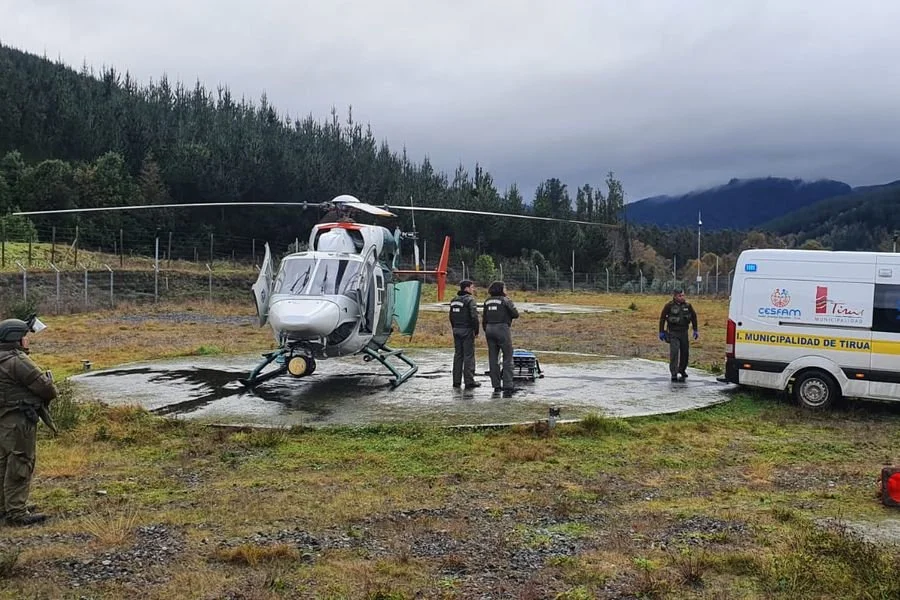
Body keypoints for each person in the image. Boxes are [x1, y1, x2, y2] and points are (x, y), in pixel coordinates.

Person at [0, 317, 58, 526]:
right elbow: (46, 388)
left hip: (4, 418)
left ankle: (6, 507)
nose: (27, 340)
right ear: (15, 338)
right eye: (25, 336)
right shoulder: (17, 360)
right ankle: (16, 513)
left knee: (4, 463)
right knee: (20, 462)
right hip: (19, 420)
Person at [482, 281, 519, 396]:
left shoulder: (487, 301)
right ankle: (508, 385)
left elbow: (484, 317)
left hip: (489, 328)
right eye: (505, 288)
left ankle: (496, 385)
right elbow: (515, 314)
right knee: (507, 357)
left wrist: (486, 329)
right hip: (502, 328)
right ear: (501, 289)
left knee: (493, 358)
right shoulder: (505, 300)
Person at [658, 288, 699, 382]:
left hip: (684, 333)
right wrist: (661, 331)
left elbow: (694, 317)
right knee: (674, 353)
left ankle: (682, 370)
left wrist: (695, 330)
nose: (682, 297)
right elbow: (662, 318)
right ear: (675, 296)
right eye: (680, 296)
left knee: (685, 353)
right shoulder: (669, 306)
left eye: (683, 295)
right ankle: (674, 373)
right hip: (673, 333)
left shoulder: (688, 305)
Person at [448, 280, 481, 389]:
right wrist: (476, 331)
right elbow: (474, 317)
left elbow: (451, 316)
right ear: (466, 288)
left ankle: (456, 381)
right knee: (468, 356)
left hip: (456, 329)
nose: (473, 289)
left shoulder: (454, 300)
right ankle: (469, 381)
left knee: (458, 355)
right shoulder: (470, 300)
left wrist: (454, 327)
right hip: (467, 330)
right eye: (472, 287)